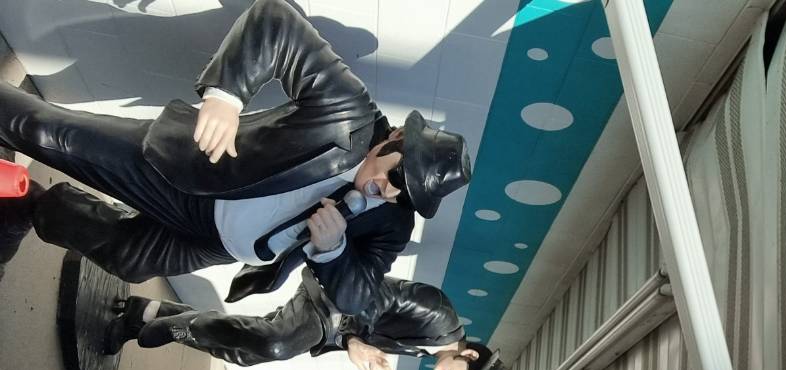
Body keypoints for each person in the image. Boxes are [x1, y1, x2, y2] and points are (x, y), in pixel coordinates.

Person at [0, 0, 471, 314]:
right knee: (46, 133)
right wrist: (227, 95)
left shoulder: (392, 223)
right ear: (394, 142)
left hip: (218, 245)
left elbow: (358, 296)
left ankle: (26, 204)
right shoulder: (349, 111)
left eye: (405, 197)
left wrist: (334, 250)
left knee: (128, 259)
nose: (389, 193)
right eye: (397, 177)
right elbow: (276, 20)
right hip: (192, 177)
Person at [106, 269, 512, 370]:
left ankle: (149, 314)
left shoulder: (428, 349)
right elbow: (368, 294)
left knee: (244, 353)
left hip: (330, 323)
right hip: (329, 296)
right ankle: (170, 326)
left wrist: (354, 342)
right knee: (274, 344)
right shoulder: (436, 312)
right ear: (470, 355)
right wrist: (355, 342)